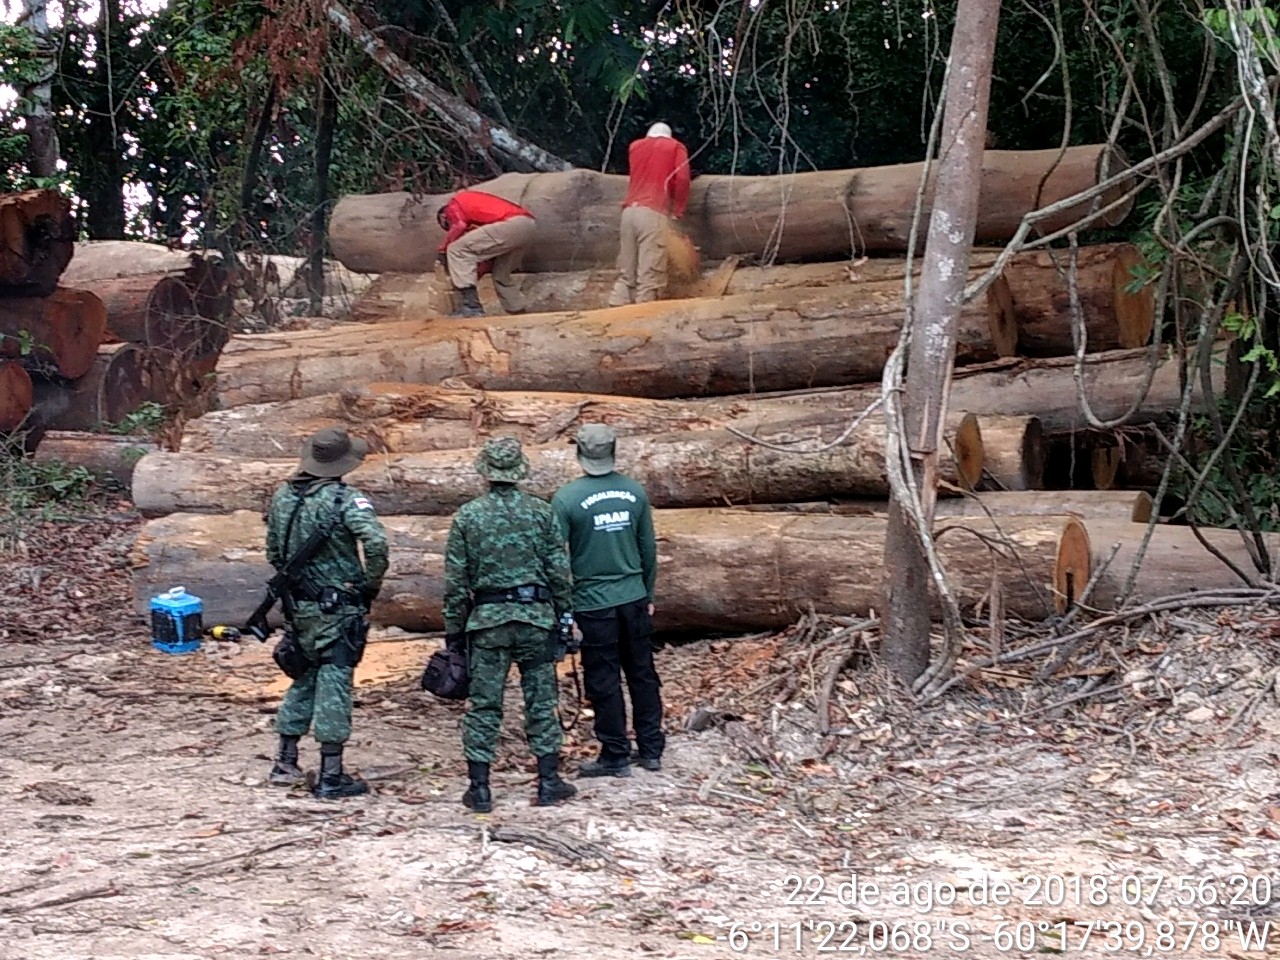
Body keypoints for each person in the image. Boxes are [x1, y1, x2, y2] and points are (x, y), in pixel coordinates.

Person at [443, 436, 577, 812]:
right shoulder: (542, 512)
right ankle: (548, 781)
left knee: (485, 705)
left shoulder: (467, 516)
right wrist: (564, 617)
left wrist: (454, 632)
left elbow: (455, 583)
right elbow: (559, 572)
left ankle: (480, 788)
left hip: (487, 625)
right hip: (536, 620)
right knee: (541, 701)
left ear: (485, 472)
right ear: (518, 472)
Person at [265, 426, 389, 800]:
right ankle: (331, 776)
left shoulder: (283, 496)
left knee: (305, 674)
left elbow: (273, 551)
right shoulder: (346, 500)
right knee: (334, 683)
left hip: (299, 606)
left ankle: (285, 759)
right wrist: (369, 584)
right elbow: (377, 543)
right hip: (338, 608)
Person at [551, 424, 663, 777]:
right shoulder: (634, 493)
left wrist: (564, 608)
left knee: (604, 678)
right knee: (642, 673)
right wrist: (648, 593)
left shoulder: (566, 499)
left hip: (593, 602)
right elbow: (648, 548)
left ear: (580, 454)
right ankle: (651, 748)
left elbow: (557, 558)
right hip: (633, 597)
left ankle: (615, 753)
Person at [608, 122, 691, 307]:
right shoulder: (675, 147)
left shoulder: (635, 147)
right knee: (650, 275)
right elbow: (683, 178)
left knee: (626, 272)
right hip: (653, 213)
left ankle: (616, 308)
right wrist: (678, 209)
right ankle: (645, 315)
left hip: (629, 213)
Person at [435, 190, 537, 317]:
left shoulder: (453, 205)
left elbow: (459, 225)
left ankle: (472, 307)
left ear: (444, 216)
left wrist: (443, 248)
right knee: (500, 274)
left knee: (457, 249)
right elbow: (486, 261)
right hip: (528, 225)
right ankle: (519, 313)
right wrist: (470, 275)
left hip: (512, 224)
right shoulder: (480, 215)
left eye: (448, 225)